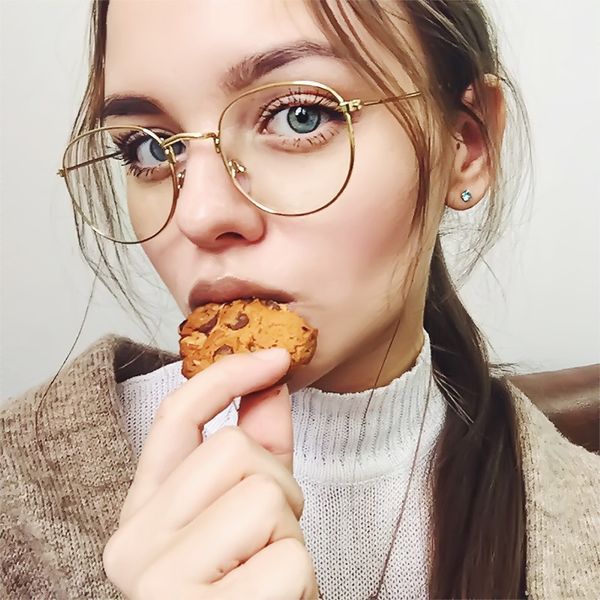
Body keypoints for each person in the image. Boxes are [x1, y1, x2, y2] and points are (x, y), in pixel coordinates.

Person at [1, 1, 598, 599]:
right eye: (150, 148)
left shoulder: (580, 530)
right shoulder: (17, 498)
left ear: (467, 145)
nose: (198, 215)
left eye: (299, 116)